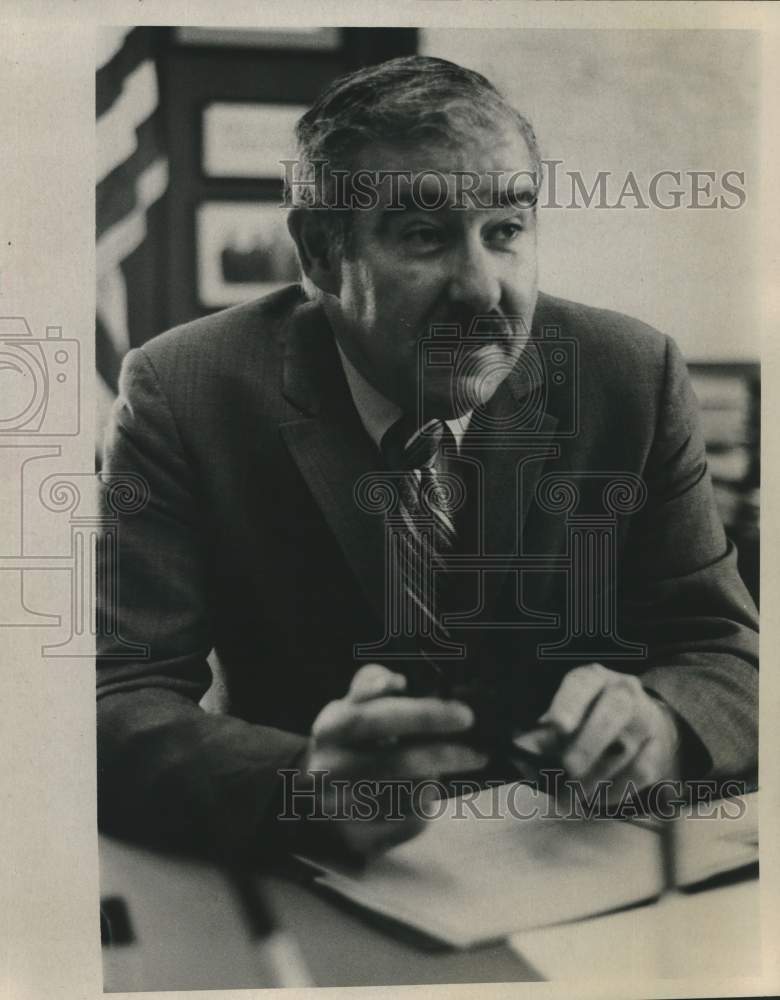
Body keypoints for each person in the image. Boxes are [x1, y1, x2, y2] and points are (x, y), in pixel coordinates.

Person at [96, 55, 758, 861]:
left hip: (572, 867)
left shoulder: (632, 373)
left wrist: (661, 724)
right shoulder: (184, 391)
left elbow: (726, 653)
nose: (482, 289)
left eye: (506, 232)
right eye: (424, 235)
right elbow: (117, 698)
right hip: (311, 882)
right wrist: (300, 785)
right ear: (319, 253)